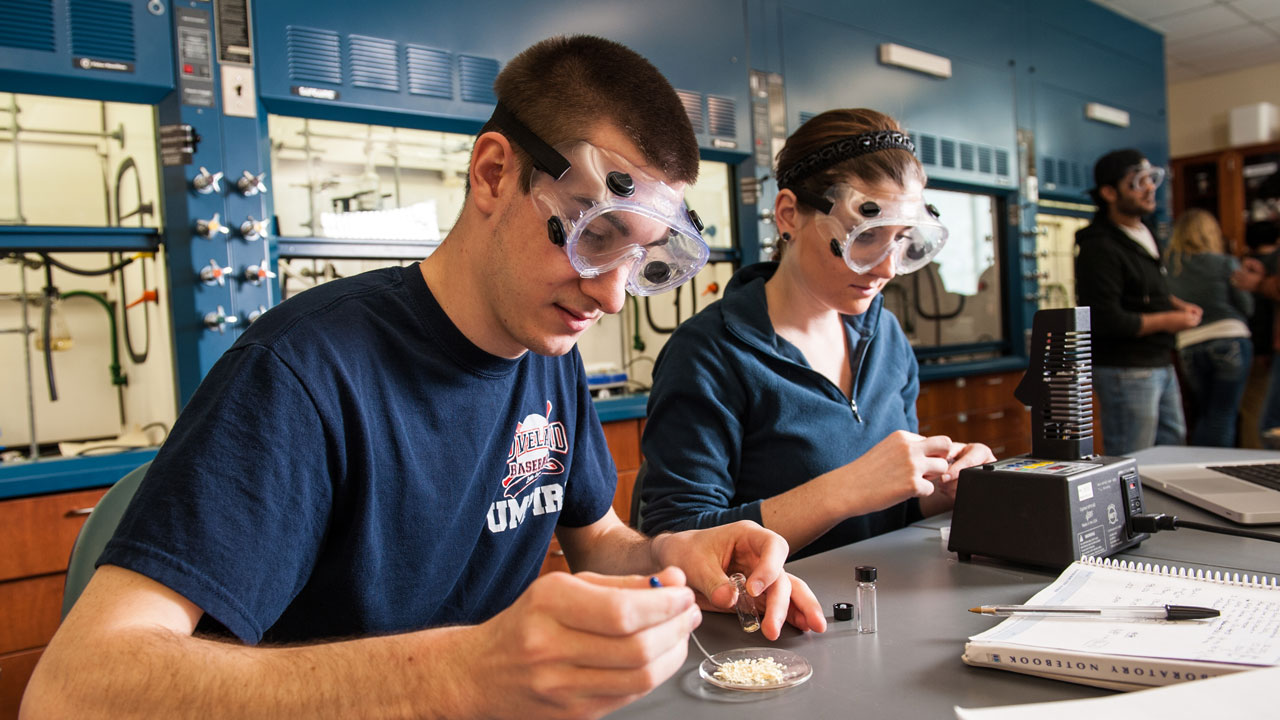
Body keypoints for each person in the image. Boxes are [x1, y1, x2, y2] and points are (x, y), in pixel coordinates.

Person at [21, 36, 826, 720]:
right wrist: (457, 673)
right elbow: (72, 688)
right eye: (591, 236)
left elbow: (598, 541)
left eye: (639, 260)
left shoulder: (548, 352)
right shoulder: (303, 376)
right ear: (493, 174)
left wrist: (676, 553)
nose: (611, 292)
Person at [638, 109, 995, 560]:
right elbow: (675, 539)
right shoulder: (710, 353)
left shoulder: (883, 333)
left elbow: (891, 513)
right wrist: (843, 490)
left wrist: (943, 487)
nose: (886, 268)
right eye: (866, 237)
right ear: (788, 214)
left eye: (902, 240)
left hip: (882, 602)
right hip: (771, 620)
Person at [1074, 149, 1201, 456]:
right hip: (1126, 369)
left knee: (1172, 449)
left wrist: (1176, 305)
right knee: (1134, 458)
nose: (1149, 187)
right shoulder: (1099, 246)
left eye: (1151, 179)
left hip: (1158, 360)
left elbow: (1143, 291)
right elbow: (1107, 318)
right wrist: (1171, 320)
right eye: (1138, 181)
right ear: (1108, 192)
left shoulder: (1144, 232)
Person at [1164, 208, 1253, 447]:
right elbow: (1246, 306)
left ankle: (1202, 470)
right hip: (1230, 338)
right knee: (1223, 415)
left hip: (1189, 344)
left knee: (1204, 414)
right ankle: (1217, 477)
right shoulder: (1224, 263)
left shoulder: (1170, 268)